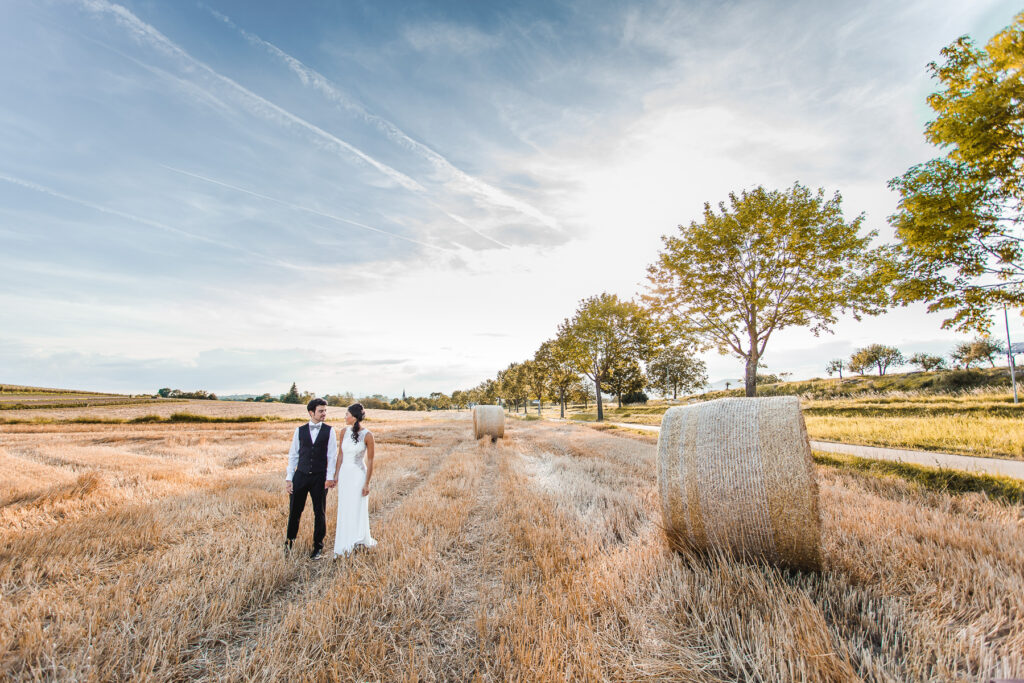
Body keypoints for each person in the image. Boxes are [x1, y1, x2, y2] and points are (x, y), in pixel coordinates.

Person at [284, 397, 337, 560]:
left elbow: (332, 456)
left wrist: (329, 478)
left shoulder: (330, 431)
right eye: (321, 411)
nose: (324, 413)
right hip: (300, 475)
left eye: (325, 411)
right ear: (311, 412)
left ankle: (318, 547)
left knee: (319, 512)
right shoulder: (299, 430)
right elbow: (293, 455)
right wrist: (289, 478)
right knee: (294, 511)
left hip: (320, 478)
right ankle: (289, 543)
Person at [332, 402, 377, 556]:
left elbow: (370, 461)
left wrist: (367, 483)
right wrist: (336, 475)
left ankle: (358, 538)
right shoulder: (343, 431)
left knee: (357, 507)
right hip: (345, 474)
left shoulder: (368, 435)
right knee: (345, 507)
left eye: (347, 414)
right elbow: (340, 455)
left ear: (354, 417)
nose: (345, 417)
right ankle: (346, 540)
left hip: (358, 475)